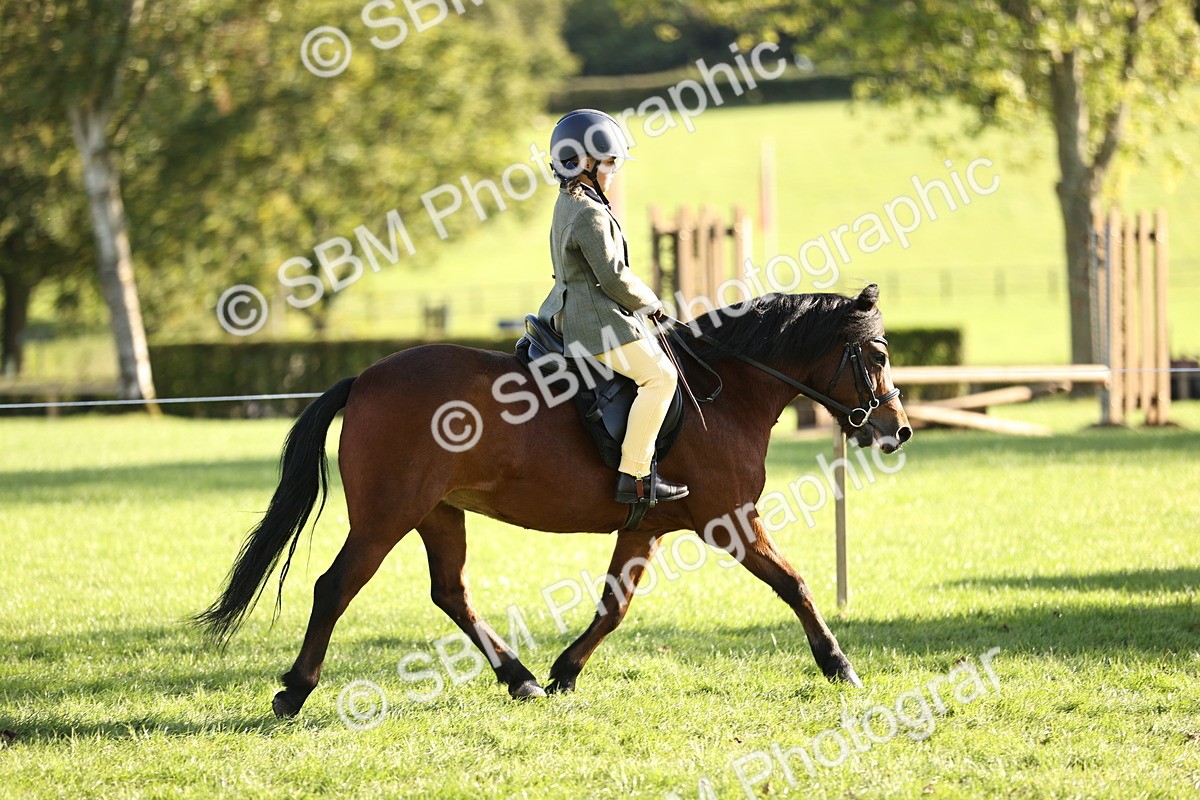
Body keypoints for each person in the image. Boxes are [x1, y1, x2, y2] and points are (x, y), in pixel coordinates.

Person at [537, 108, 688, 505]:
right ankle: (635, 476)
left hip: (573, 310)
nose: (613, 171)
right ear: (582, 162)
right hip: (595, 323)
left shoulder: (568, 201)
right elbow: (614, 277)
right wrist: (653, 304)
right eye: (609, 163)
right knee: (660, 377)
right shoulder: (588, 212)